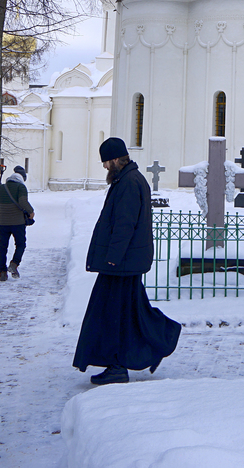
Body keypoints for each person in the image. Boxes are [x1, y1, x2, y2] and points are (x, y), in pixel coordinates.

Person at [73, 137, 181, 385]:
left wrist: (112, 259)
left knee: (113, 314)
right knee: (129, 313)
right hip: (125, 262)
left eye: (105, 162)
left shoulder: (129, 183)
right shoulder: (126, 180)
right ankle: (128, 357)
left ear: (114, 160)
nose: (104, 167)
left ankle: (123, 362)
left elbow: (125, 224)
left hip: (122, 264)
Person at [0, 165, 34, 282]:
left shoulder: (0, 188)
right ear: (22, 178)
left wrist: (4, 211)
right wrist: (31, 212)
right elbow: (22, 202)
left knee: (2, 247)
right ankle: (14, 264)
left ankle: (2, 272)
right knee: (20, 244)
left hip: (3, 223)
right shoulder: (21, 187)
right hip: (18, 223)